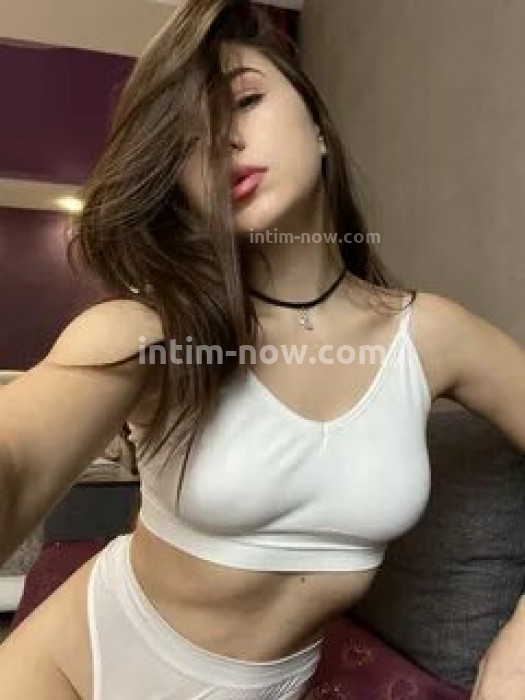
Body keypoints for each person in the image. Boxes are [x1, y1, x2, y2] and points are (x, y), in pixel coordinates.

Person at [0, 1, 523, 698]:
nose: (220, 141)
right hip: (75, 667)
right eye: (185, 141)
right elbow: (18, 459)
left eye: (244, 101)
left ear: (318, 125)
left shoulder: (431, 335)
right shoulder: (151, 331)